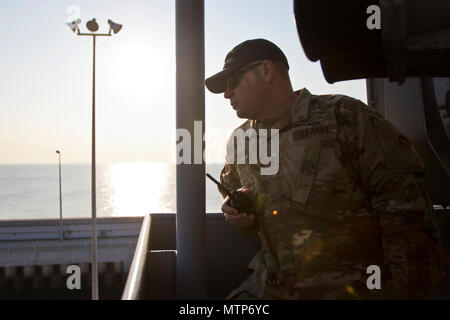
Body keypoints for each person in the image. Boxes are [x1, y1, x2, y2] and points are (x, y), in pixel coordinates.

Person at [205, 39, 443, 299]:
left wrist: (404, 292)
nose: (226, 93)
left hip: (351, 289)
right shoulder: (240, 142)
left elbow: (405, 212)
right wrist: (237, 214)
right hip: (273, 287)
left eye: (232, 81)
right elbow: (244, 217)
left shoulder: (346, 118)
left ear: (265, 71)